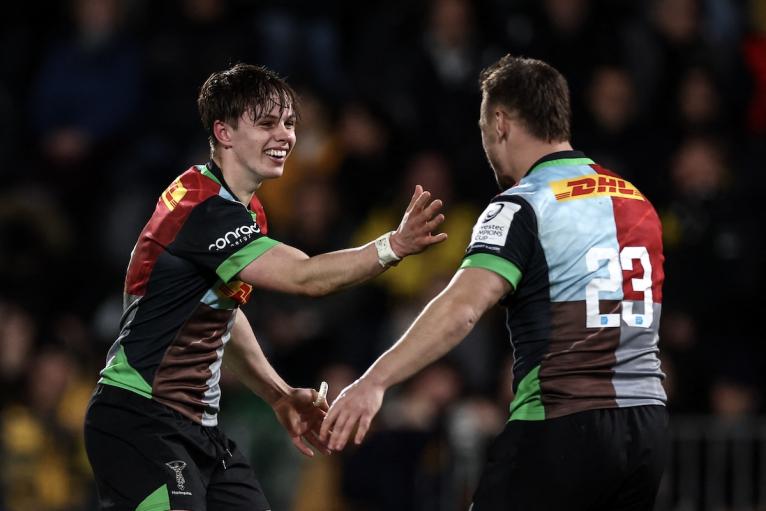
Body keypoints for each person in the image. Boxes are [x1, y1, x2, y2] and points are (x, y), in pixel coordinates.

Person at [83, 63, 447, 511]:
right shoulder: (204, 210)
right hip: (139, 420)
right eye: (267, 123)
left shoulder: (242, 210)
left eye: (289, 123)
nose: (285, 136)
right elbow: (305, 277)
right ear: (224, 132)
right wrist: (392, 246)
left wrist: (279, 394)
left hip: (198, 431)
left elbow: (223, 316)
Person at [322, 54, 669, 511]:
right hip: (646, 430)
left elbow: (462, 307)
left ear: (500, 123)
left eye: (484, 128)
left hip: (561, 422)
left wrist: (374, 381)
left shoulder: (521, 204)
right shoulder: (636, 200)